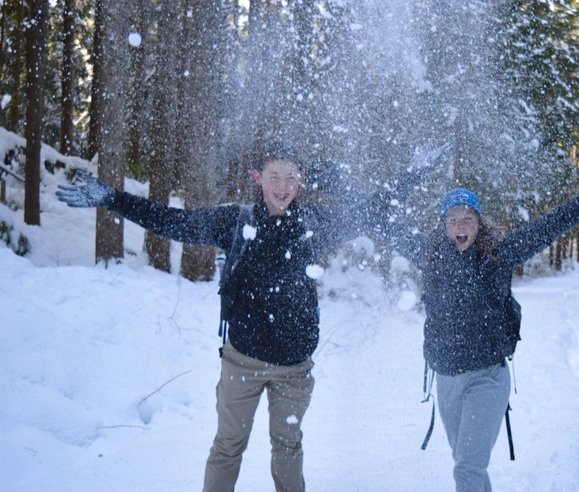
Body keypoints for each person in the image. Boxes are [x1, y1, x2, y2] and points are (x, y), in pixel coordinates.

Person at [56, 141, 446, 492]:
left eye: (290, 177)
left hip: (294, 368)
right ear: (258, 178)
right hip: (241, 361)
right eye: (274, 176)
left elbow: (371, 211)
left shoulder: (313, 226)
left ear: (301, 181)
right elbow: (174, 222)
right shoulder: (234, 222)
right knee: (228, 446)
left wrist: (415, 172)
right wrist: (113, 199)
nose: (282, 186)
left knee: (288, 446)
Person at [388, 168, 579, 492]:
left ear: (479, 223)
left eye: (468, 219)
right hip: (446, 379)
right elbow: (384, 221)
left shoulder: (499, 254)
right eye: (453, 220)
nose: (460, 226)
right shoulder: (431, 255)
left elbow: (547, 227)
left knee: (467, 469)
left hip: (487, 378)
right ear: (443, 225)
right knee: (466, 463)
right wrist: (409, 177)